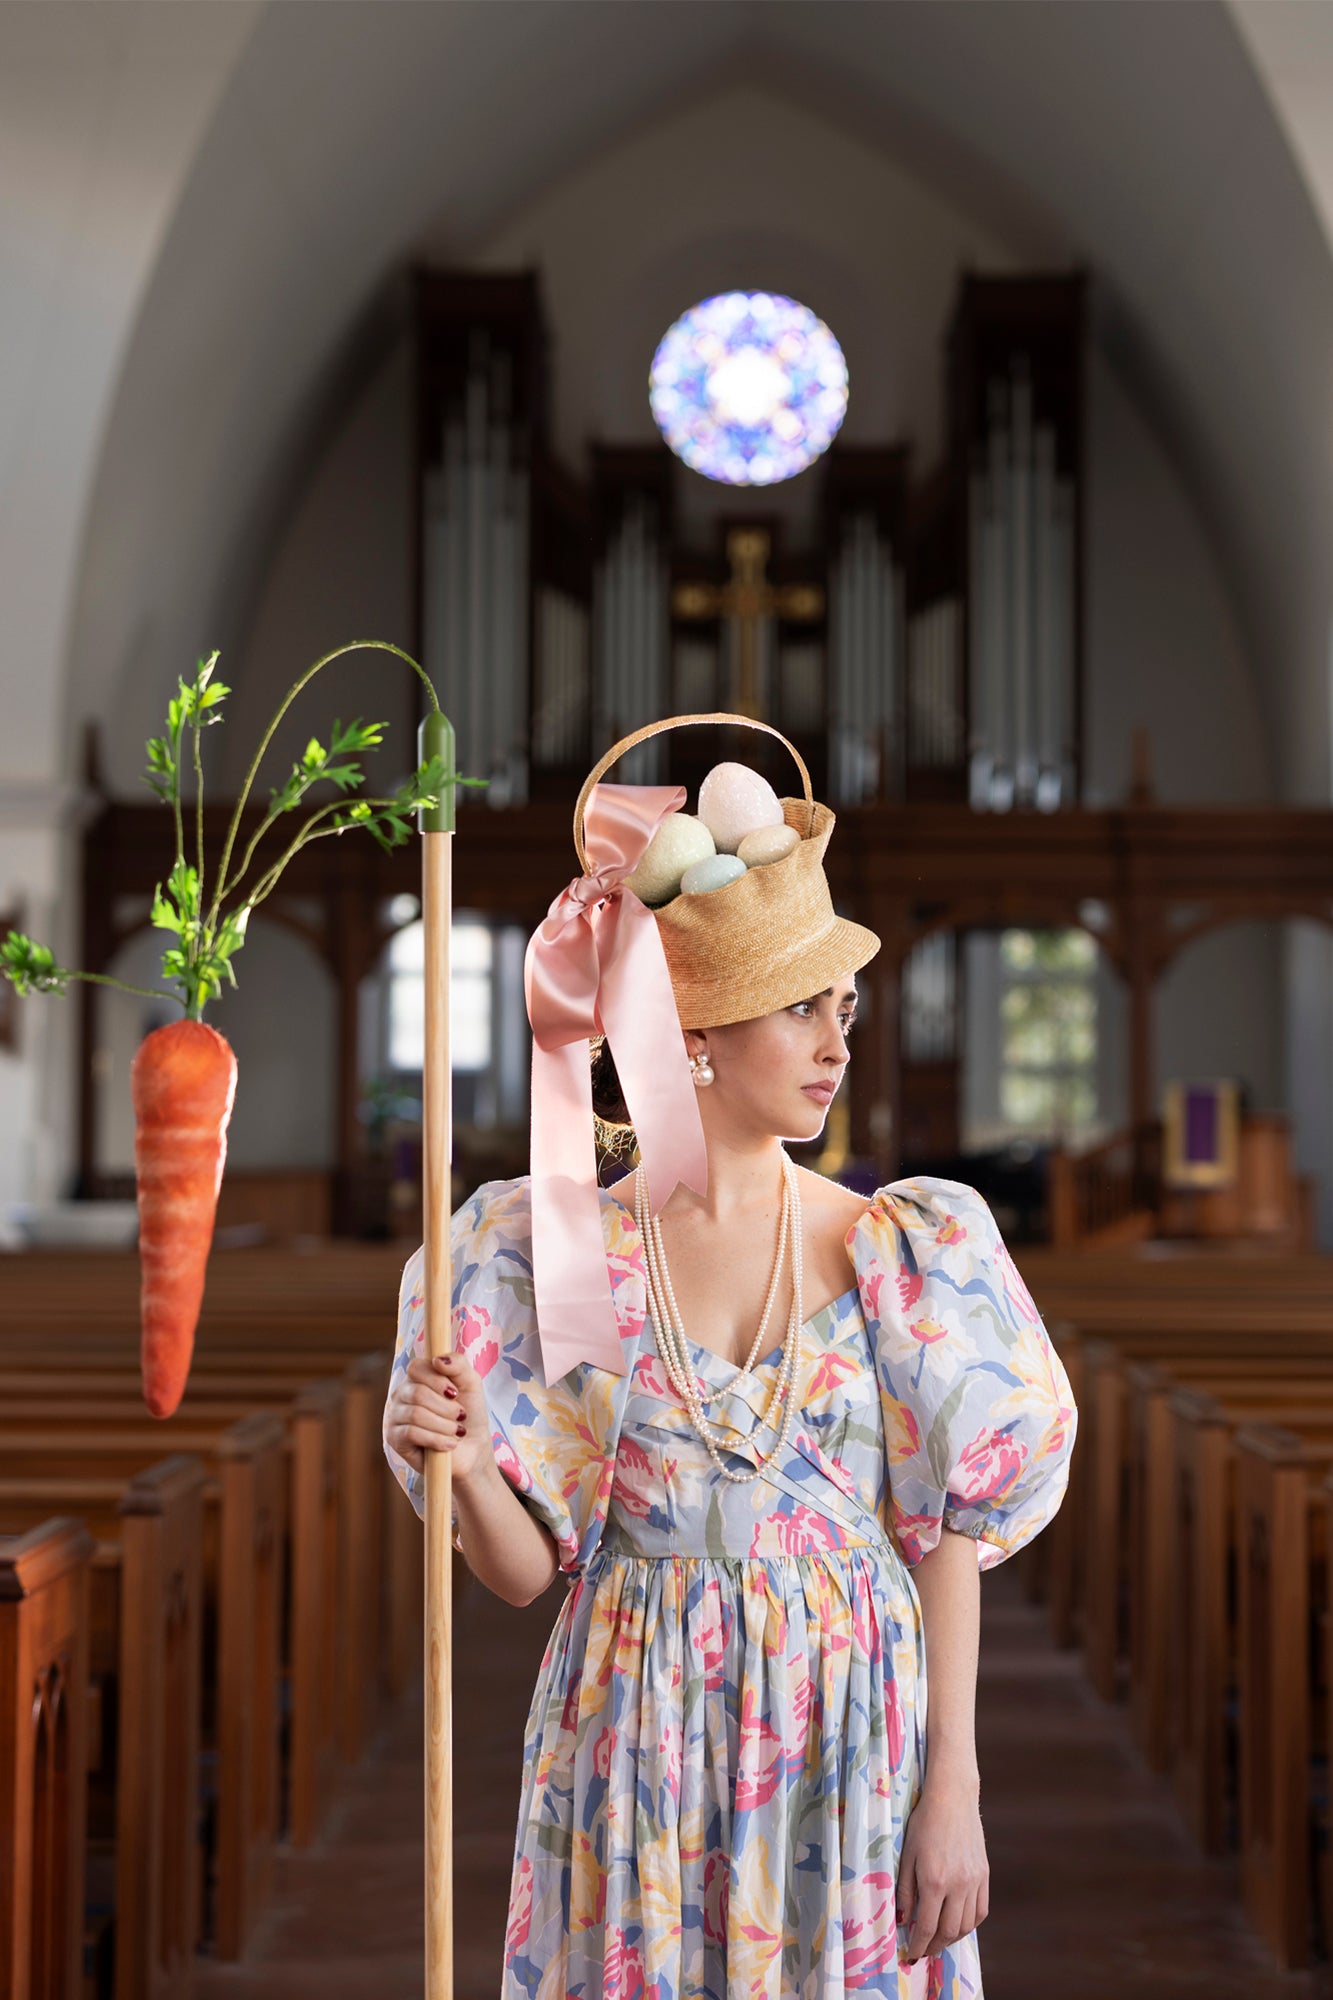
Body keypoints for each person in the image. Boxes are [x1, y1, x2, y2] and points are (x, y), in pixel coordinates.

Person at [383, 715, 1077, 2000]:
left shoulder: (902, 1250)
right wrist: (472, 1461)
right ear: (694, 1031)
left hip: (851, 1740)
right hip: (630, 1739)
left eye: (845, 1006)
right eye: (800, 1008)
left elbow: (950, 1537)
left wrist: (954, 1787)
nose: (838, 1041)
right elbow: (528, 1571)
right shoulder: (552, 1253)